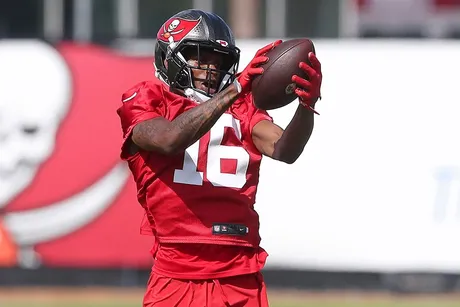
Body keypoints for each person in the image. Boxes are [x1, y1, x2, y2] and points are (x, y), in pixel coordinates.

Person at [117, 9, 322, 307]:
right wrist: (234, 90)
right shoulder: (148, 99)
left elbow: (285, 149)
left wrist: (306, 106)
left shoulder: (243, 108)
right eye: (200, 58)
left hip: (239, 269)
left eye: (219, 61)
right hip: (177, 271)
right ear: (168, 59)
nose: (211, 69)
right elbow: (168, 139)